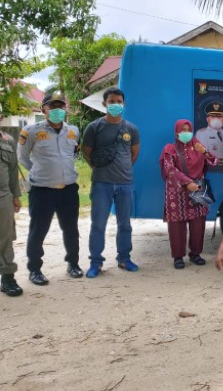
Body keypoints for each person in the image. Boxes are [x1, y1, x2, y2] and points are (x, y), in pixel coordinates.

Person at [17, 93, 83, 285]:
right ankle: (35, 270)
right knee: (38, 231)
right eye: (52, 107)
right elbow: (22, 157)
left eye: (61, 106)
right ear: (43, 109)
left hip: (68, 190)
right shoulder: (30, 131)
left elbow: (72, 155)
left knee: (71, 229)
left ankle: (73, 264)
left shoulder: (73, 131)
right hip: (42, 190)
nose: (57, 110)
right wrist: (38, 172)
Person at [82, 87, 140, 278]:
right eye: (112, 101)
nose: (115, 105)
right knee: (98, 224)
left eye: (119, 101)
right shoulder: (94, 127)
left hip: (125, 184)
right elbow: (87, 153)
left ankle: (124, 258)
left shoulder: (131, 128)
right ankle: (96, 263)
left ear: (124, 104)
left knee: (125, 224)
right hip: (102, 184)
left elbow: (134, 155)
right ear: (104, 104)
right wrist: (101, 170)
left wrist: (121, 170)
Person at [160, 119, 218, 269]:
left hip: (197, 190)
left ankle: (195, 254)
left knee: (198, 224)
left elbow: (214, 161)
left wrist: (204, 151)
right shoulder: (170, 149)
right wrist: (187, 182)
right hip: (176, 192)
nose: (185, 133)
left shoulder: (198, 146)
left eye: (188, 130)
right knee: (177, 226)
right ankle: (178, 257)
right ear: (176, 132)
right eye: (182, 130)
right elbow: (170, 169)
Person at [0, 108, 23, 297]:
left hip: (3, 197)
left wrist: (16, 195)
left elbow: (13, 171)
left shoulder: (8, 141)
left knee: (6, 238)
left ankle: (7, 277)